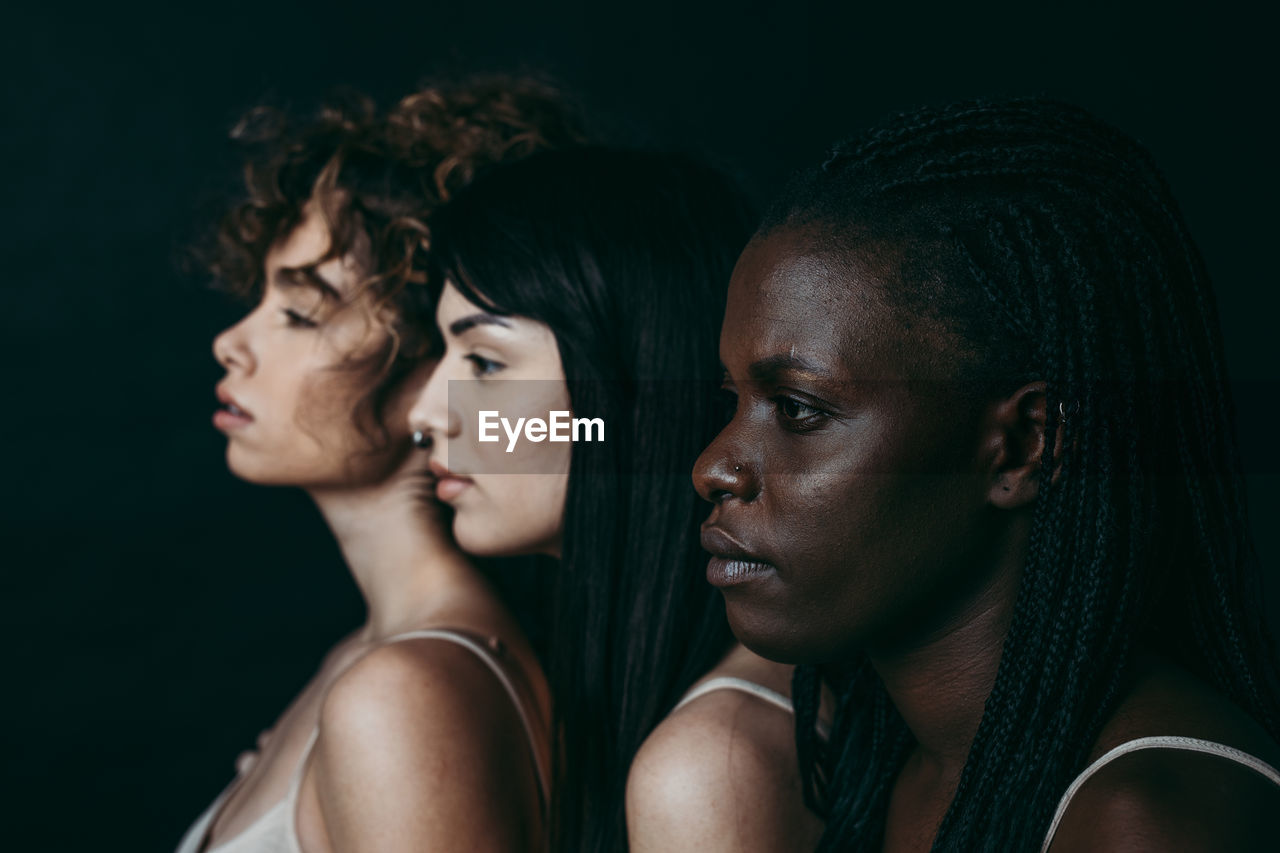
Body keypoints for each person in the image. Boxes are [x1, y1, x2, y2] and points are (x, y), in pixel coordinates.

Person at [692, 96, 1280, 851]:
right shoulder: (889, 759)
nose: (714, 466)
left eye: (800, 409)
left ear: (1026, 442)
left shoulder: (1145, 817)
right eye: (730, 400)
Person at [177, 78, 583, 852]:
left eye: (301, 312)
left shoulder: (406, 692)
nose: (230, 340)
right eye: (260, 297)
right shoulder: (365, 659)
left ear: (432, 360)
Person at [408, 147, 823, 852]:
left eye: (484, 362)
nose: (425, 411)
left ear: (628, 389)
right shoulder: (614, 690)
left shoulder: (707, 770)